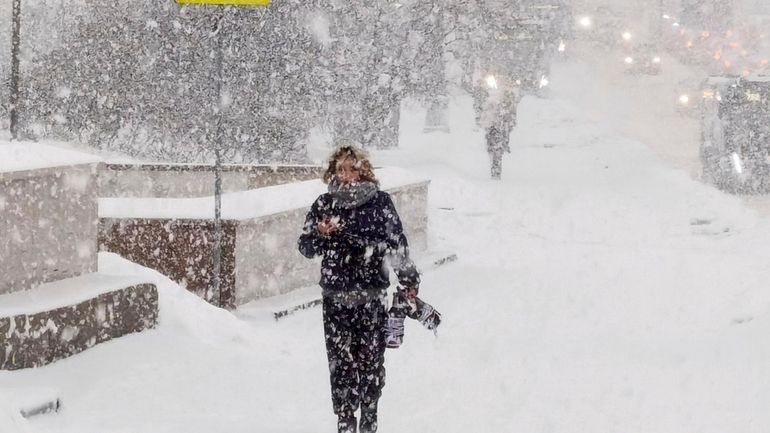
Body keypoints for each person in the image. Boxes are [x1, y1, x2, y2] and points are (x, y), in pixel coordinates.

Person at [298, 145, 420, 433]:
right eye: (341, 169)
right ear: (333, 171)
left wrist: (409, 281)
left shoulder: (380, 204)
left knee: (370, 361)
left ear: (364, 170)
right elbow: (305, 247)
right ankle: (344, 419)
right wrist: (319, 233)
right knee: (340, 364)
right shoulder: (324, 204)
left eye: (352, 168)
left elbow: (396, 245)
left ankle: (368, 416)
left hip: (371, 296)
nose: (347, 174)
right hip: (336, 298)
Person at [480, 88, 518, 179]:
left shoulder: (503, 109)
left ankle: (495, 171)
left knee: (496, 153)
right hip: (494, 131)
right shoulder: (496, 107)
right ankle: (495, 171)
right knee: (495, 153)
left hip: (496, 132)